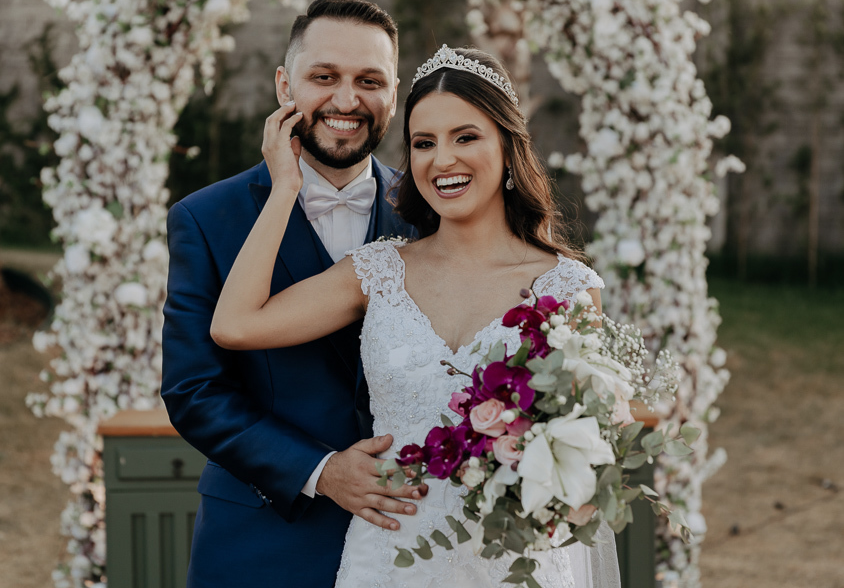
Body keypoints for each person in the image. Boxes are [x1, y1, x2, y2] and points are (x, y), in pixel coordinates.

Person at [211, 44, 622, 588]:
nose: (442, 160)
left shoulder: (566, 288)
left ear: (507, 145)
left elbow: (591, 469)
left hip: (513, 564)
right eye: (424, 143)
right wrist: (285, 185)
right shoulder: (378, 270)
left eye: (466, 137)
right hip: (389, 561)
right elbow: (235, 325)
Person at [161, 0, 420, 588]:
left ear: (394, 92)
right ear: (285, 83)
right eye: (324, 77)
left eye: (369, 80)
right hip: (261, 543)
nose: (347, 100)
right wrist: (322, 470)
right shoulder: (205, 218)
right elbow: (194, 389)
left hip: (412, 537)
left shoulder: (432, 214)